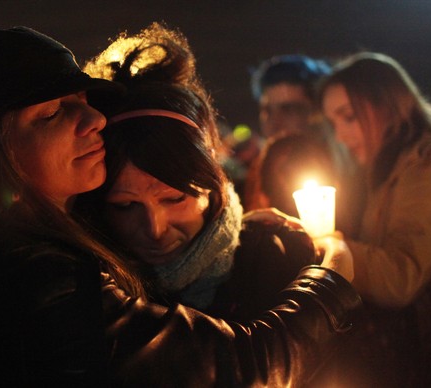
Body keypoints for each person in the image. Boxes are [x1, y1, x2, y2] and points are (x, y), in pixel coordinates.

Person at [0, 26, 360, 386]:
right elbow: (236, 369)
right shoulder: (33, 271)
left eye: (84, 101)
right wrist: (333, 273)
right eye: (54, 113)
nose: (92, 120)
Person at [75, 23, 323, 321]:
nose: (155, 229)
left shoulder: (274, 260)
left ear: (212, 183)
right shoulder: (87, 289)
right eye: (126, 205)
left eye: (175, 198)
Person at [316, 52, 431, 387]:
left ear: (388, 104)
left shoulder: (427, 165)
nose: (340, 135)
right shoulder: (383, 169)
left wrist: (331, 247)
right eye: (333, 123)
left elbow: (402, 277)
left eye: (349, 117)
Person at [244, 55, 361, 236]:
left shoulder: (353, 172)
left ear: (318, 112)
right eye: (267, 111)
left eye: (289, 109)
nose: (274, 122)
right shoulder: (258, 169)